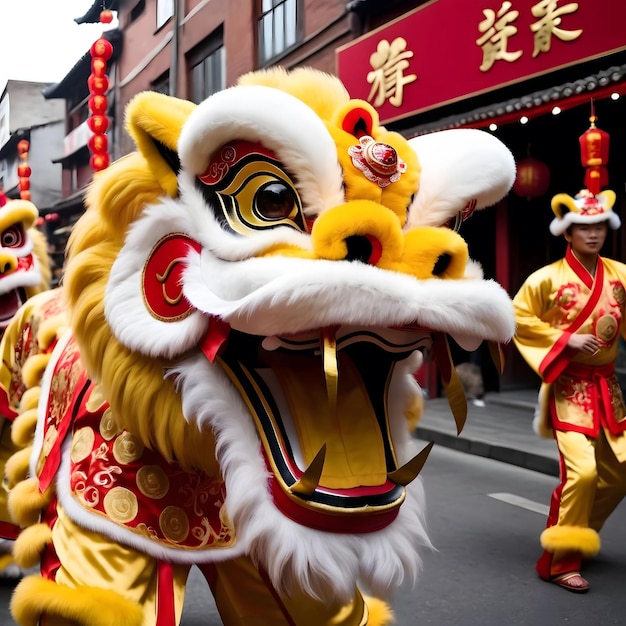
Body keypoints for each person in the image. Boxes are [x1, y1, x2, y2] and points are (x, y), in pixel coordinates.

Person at [513, 188, 626, 594]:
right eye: (584, 227)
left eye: (598, 227)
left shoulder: (620, 275)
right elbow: (517, 319)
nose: (592, 234)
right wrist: (566, 340)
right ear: (568, 233)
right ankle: (561, 562)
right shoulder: (545, 280)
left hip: (608, 387)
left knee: (621, 471)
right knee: (585, 472)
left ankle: (577, 535)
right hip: (569, 386)